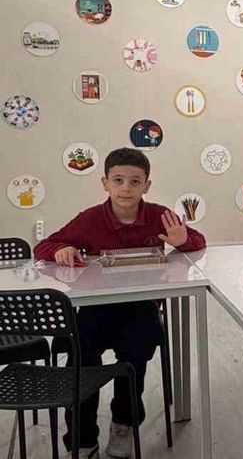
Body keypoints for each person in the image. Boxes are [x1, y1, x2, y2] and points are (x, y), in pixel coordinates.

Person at [34, 147, 207, 458]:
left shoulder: (159, 216)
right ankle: (82, 437)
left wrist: (183, 241)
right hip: (95, 308)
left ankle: (123, 424)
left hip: (140, 307)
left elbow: (197, 241)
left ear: (146, 185)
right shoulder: (90, 219)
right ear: (105, 183)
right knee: (81, 364)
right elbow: (45, 245)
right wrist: (60, 249)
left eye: (135, 181)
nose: (126, 188)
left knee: (135, 360)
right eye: (118, 180)